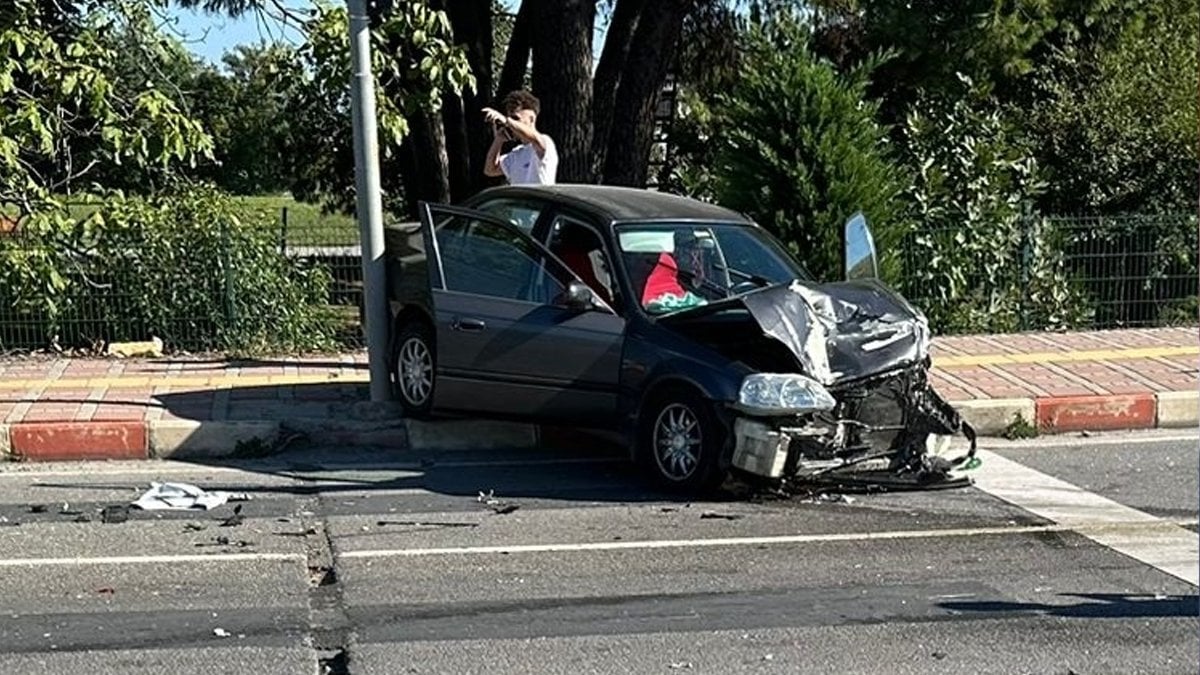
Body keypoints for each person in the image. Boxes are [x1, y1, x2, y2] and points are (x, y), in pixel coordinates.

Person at [483, 90, 558, 185]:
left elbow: (535, 139)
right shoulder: (516, 153)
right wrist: (499, 139)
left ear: (532, 119)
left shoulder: (545, 143)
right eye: (510, 117)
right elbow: (490, 170)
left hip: (539, 200)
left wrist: (507, 121)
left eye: (516, 118)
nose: (511, 124)